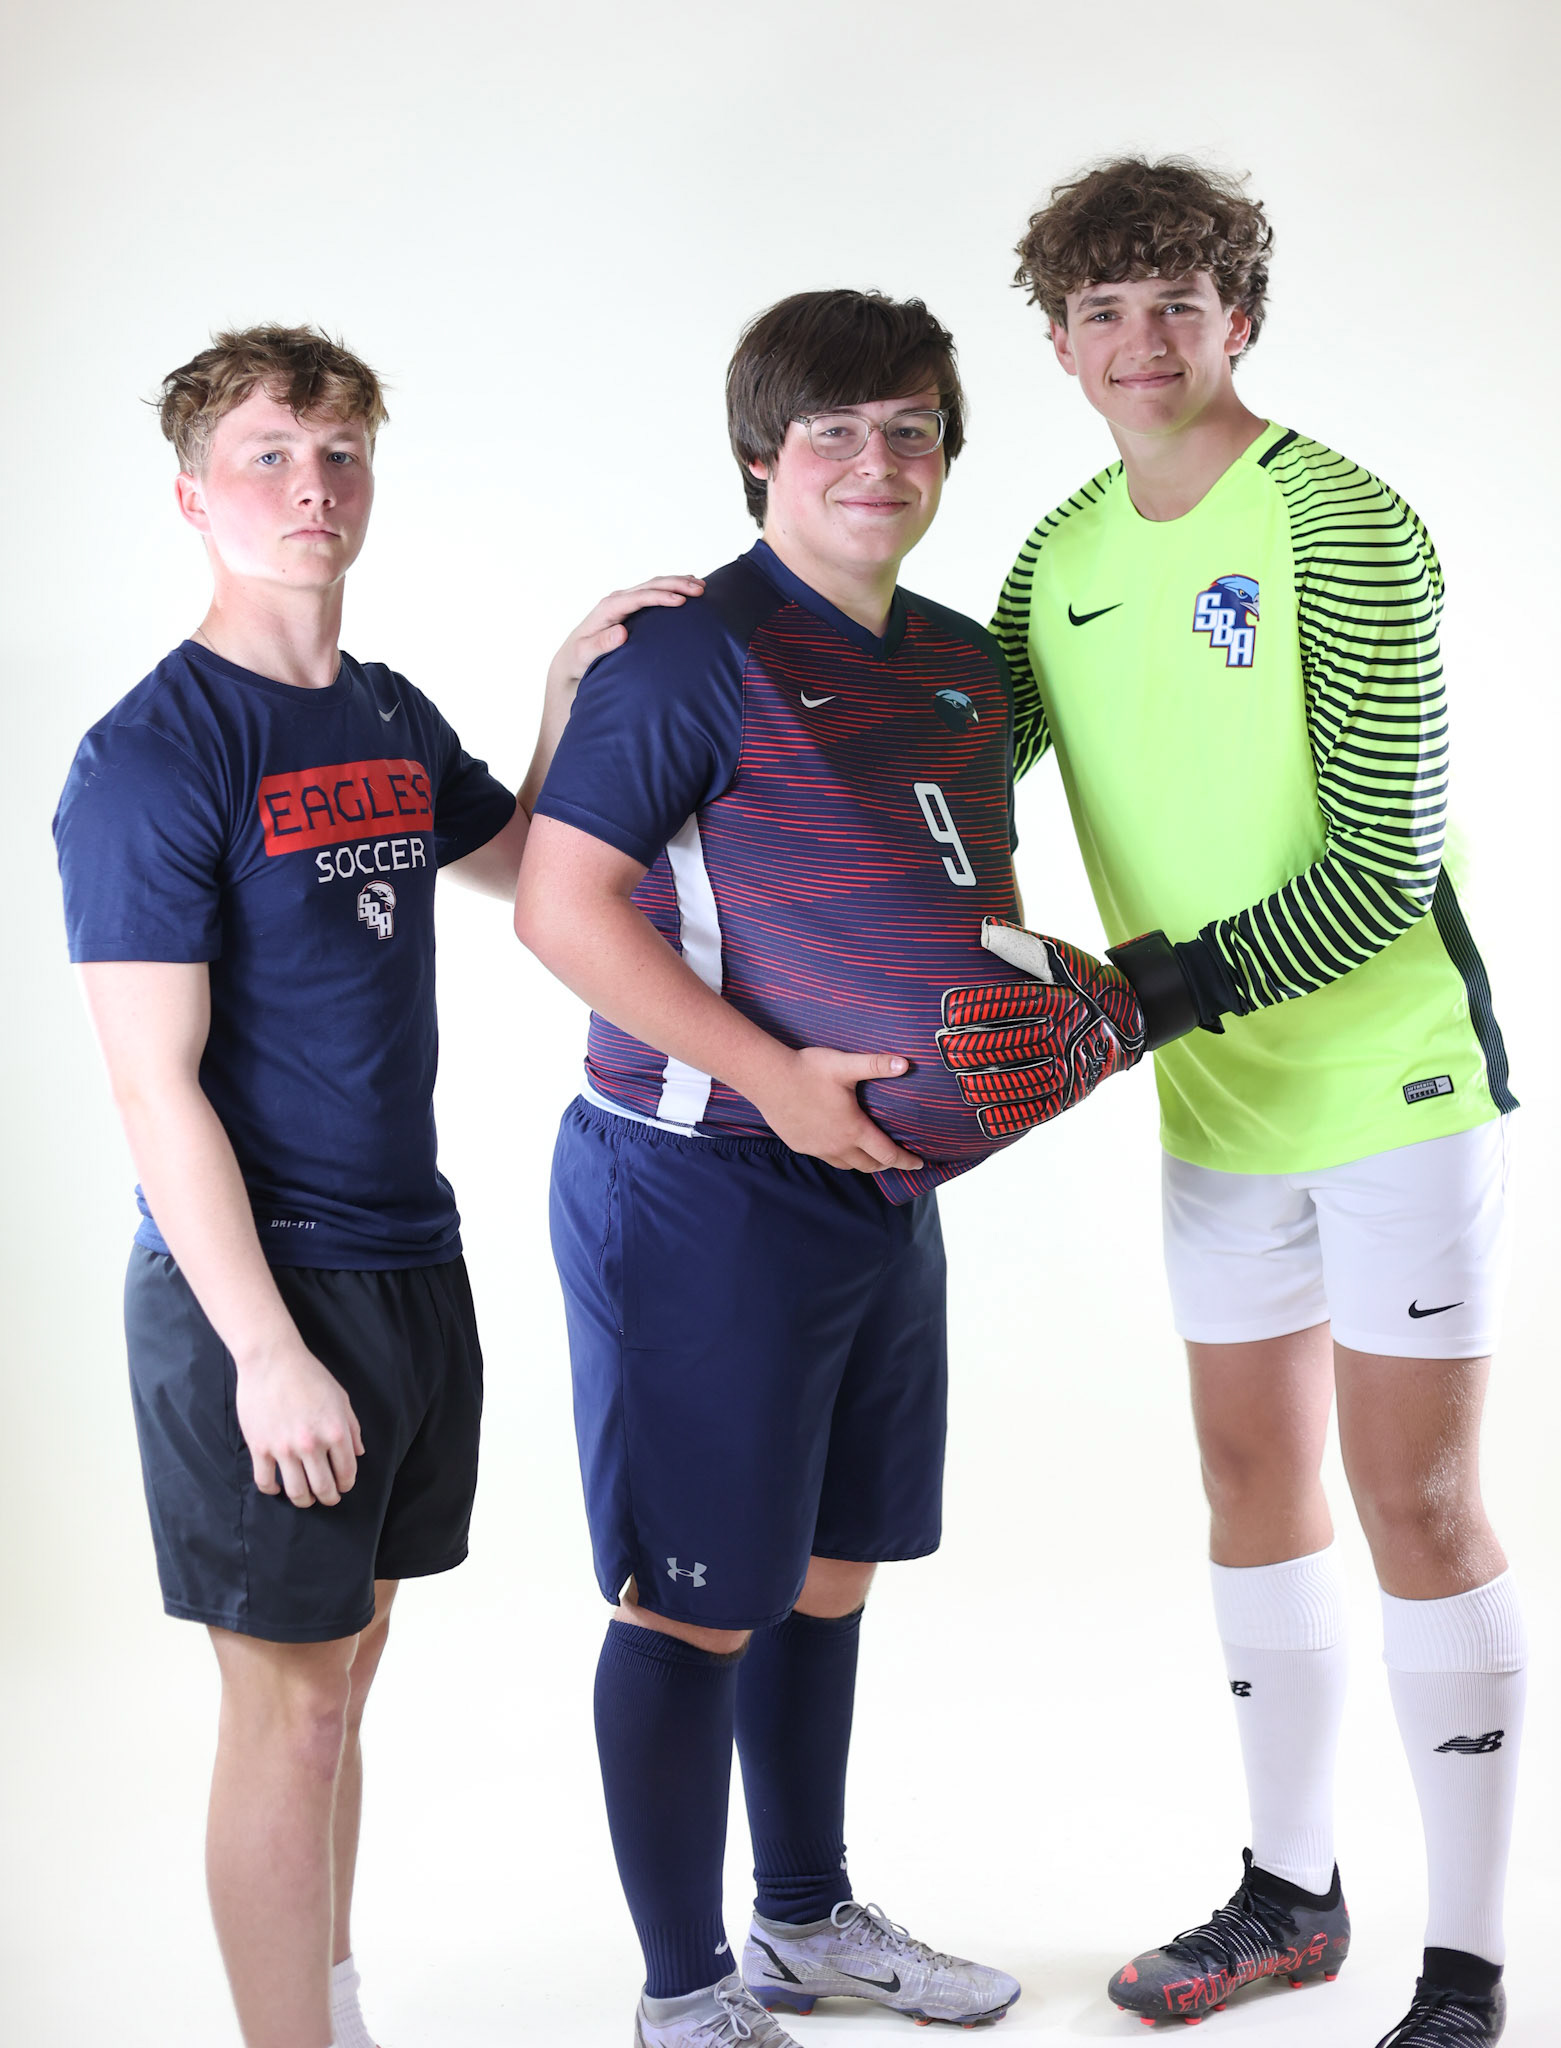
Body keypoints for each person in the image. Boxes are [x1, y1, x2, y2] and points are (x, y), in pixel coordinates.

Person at [52, 324, 698, 2048]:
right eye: (268, 456)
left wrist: (565, 687)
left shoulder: (387, 708)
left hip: (411, 1260)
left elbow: (529, 863)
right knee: (290, 1715)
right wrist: (263, 1348)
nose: (309, 487)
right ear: (193, 495)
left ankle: (329, 2008)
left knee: (349, 1681)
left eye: (336, 454)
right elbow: (146, 1079)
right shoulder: (150, 755)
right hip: (253, 1289)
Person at [514, 287, 1145, 2047]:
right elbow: (560, 912)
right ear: (758, 460)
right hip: (699, 1177)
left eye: (913, 428)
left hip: (878, 1191)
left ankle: (801, 1921)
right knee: (691, 1595)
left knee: (829, 1562)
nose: (879, 461)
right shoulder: (687, 654)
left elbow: (947, 911)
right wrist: (775, 1077)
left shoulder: (957, 661)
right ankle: (683, 1988)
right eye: (834, 431)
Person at [991, 159, 1524, 2045]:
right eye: (1104, 312)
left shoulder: (1340, 520)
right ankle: (1289, 1899)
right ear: (1054, 343)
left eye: (1179, 304)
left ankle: (1460, 1965)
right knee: (1246, 1484)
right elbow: (933, 768)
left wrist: (1135, 996)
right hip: (1209, 1108)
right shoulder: (1050, 561)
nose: (1143, 343)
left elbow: (1383, 860)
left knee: (1416, 1493)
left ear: (1241, 320)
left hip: (1384, 1081)